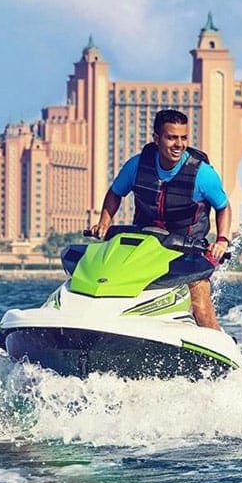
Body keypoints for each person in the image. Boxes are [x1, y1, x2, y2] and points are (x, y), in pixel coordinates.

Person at [89, 109, 231, 330]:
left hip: (188, 251)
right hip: (144, 246)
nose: (179, 144)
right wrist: (104, 222)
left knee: (200, 307)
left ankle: (224, 355)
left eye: (183, 138)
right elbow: (115, 193)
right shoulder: (136, 166)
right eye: (171, 137)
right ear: (156, 139)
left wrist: (222, 240)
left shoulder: (203, 174)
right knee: (110, 284)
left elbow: (223, 207)